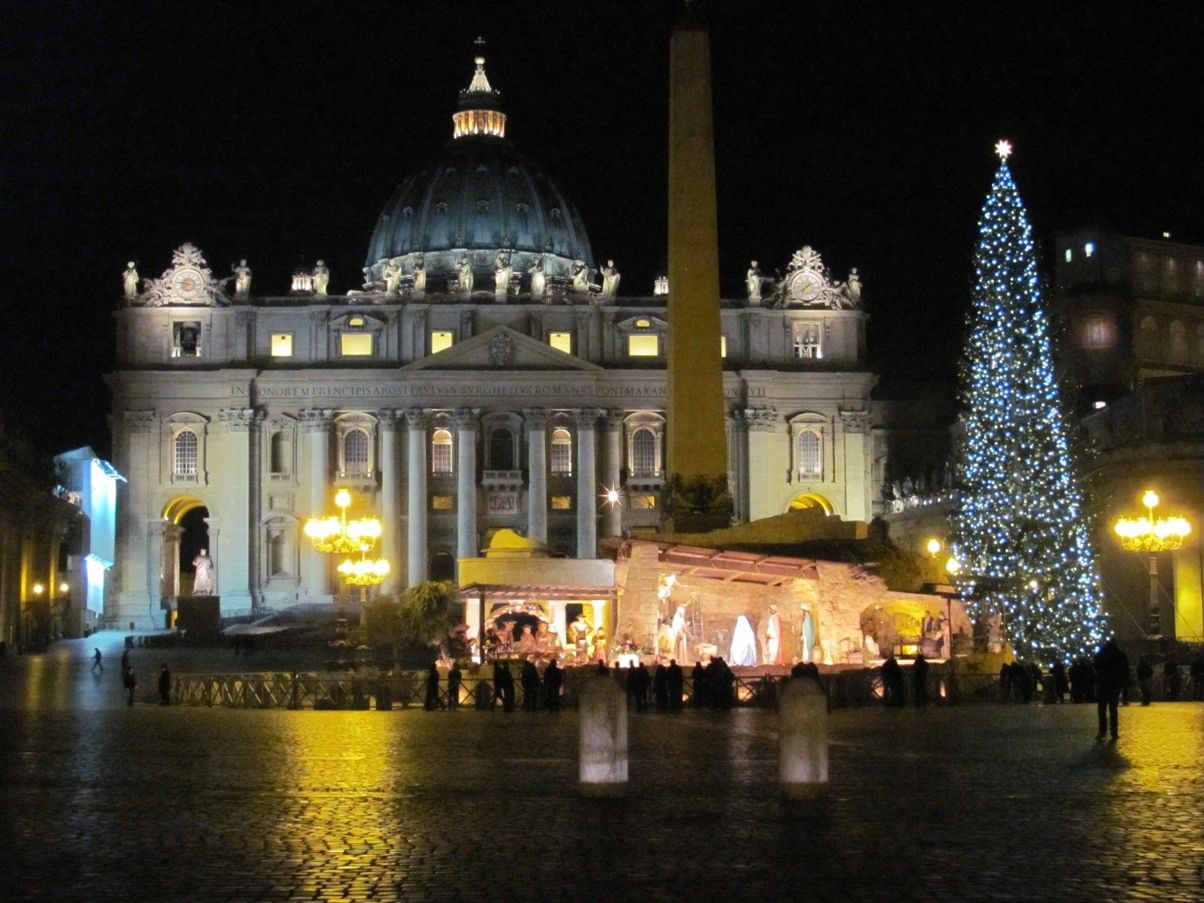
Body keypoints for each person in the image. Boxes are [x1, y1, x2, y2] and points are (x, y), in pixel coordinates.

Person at [1093, 638, 1129, 740]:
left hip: (1103, 684)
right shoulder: (1120, 655)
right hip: (1114, 684)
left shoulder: (1101, 654)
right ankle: (1114, 732)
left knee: (1102, 709)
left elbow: (1096, 666)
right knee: (1113, 709)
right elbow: (1125, 669)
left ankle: (1102, 731)